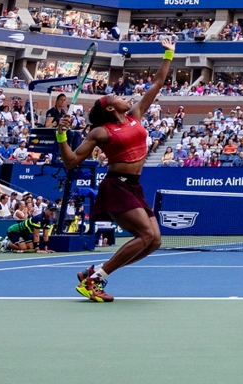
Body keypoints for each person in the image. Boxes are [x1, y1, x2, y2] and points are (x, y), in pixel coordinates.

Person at [58, 37, 175, 302]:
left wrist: (168, 54)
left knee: (154, 241)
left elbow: (157, 83)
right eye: (117, 97)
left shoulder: (135, 115)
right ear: (110, 108)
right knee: (145, 235)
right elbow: (71, 162)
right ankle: (95, 280)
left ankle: (93, 271)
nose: (124, 97)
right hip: (116, 185)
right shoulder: (101, 131)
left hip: (134, 186)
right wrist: (61, 137)